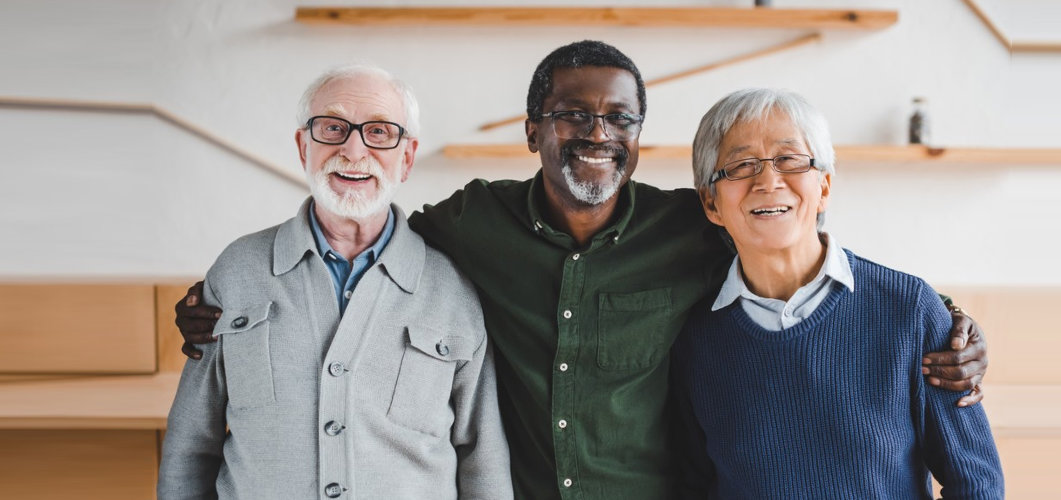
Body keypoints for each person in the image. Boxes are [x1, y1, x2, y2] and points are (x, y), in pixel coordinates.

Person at [173, 41, 991, 500]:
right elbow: (367, 237)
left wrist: (946, 319)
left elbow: (798, 246)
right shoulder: (469, 222)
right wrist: (225, 296)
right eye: (571, 114)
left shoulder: (693, 225)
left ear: (639, 136)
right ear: (533, 130)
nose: (596, 133)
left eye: (619, 118)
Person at [157, 65, 511, 500]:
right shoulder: (236, 271)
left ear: (408, 156)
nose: (354, 149)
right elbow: (190, 446)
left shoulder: (452, 288)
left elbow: (483, 459)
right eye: (332, 128)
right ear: (303, 146)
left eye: (379, 132)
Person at [670, 88, 1002, 499]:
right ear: (711, 202)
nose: (768, 181)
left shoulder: (909, 309)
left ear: (824, 186)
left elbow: (976, 483)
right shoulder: (695, 338)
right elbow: (693, 486)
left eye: (789, 160)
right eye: (741, 165)